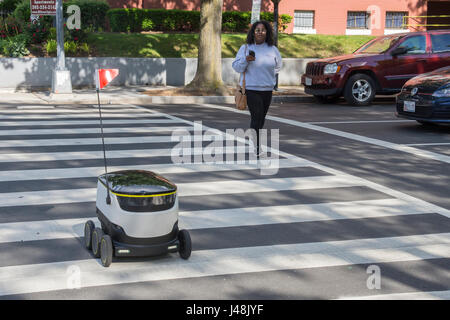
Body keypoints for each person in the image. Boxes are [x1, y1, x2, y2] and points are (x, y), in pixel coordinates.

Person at [232, 20, 282, 157]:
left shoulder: (273, 49)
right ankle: (257, 145)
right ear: (253, 32)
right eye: (257, 30)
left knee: (262, 118)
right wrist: (246, 60)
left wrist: (268, 78)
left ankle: (256, 141)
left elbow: (278, 67)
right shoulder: (246, 48)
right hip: (251, 88)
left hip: (267, 89)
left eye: (263, 30)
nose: (260, 32)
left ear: (267, 33)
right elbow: (236, 67)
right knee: (256, 116)